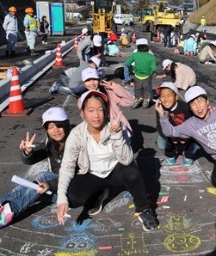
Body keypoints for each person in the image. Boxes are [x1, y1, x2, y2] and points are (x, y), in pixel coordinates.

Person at [56, 90, 159, 232]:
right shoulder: (76, 135)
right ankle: (100, 193)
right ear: (82, 113)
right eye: (91, 110)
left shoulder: (115, 127)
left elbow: (127, 159)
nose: (96, 115)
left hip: (116, 171)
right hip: (93, 173)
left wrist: (117, 135)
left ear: (105, 111)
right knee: (72, 198)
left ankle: (144, 209)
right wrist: (61, 199)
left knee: (132, 173)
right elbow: (67, 167)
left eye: (100, 110)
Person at [0, 107, 71, 230]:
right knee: (28, 187)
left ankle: (10, 210)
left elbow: (78, 177)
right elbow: (30, 160)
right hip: (55, 188)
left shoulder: (76, 142)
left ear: (66, 125)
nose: (55, 130)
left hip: (70, 193)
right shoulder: (50, 143)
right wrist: (28, 152)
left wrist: (48, 184)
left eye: (59, 125)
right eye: (50, 127)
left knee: (42, 178)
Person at [156, 85, 216, 187]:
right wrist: (162, 115)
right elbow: (169, 132)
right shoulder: (191, 124)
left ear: (207, 101)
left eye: (200, 101)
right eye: (193, 104)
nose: (197, 106)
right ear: (191, 108)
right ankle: (181, 154)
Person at [78, 67, 134, 137]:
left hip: (117, 128)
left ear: (99, 80)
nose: (92, 83)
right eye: (88, 80)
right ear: (83, 83)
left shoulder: (108, 92)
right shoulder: (82, 100)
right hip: (100, 133)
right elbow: (85, 118)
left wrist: (116, 87)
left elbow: (130, 101)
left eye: (94, 79)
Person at [155, 82, 200, 165]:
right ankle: (171, 155)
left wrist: (185, 138)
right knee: (161, 142)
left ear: (176, 97)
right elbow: (159, 126)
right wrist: (172, 138)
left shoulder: (185, 107)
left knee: (198, 142)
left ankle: (187, 156)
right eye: (162, 96)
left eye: (169, 95)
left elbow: (194, 124)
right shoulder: (160, 109)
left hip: (187, 137)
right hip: (171, 137)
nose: (165, 99)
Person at [125, 38, 157, 109]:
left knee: (138, 89)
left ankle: (138, 99)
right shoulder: (151, 56)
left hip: (137, 75)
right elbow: (154, 68)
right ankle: (147, 100)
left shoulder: (135, 55)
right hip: (147, 76)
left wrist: (133, 69)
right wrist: (150, 73)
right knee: (147, 89)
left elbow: (127, 64)